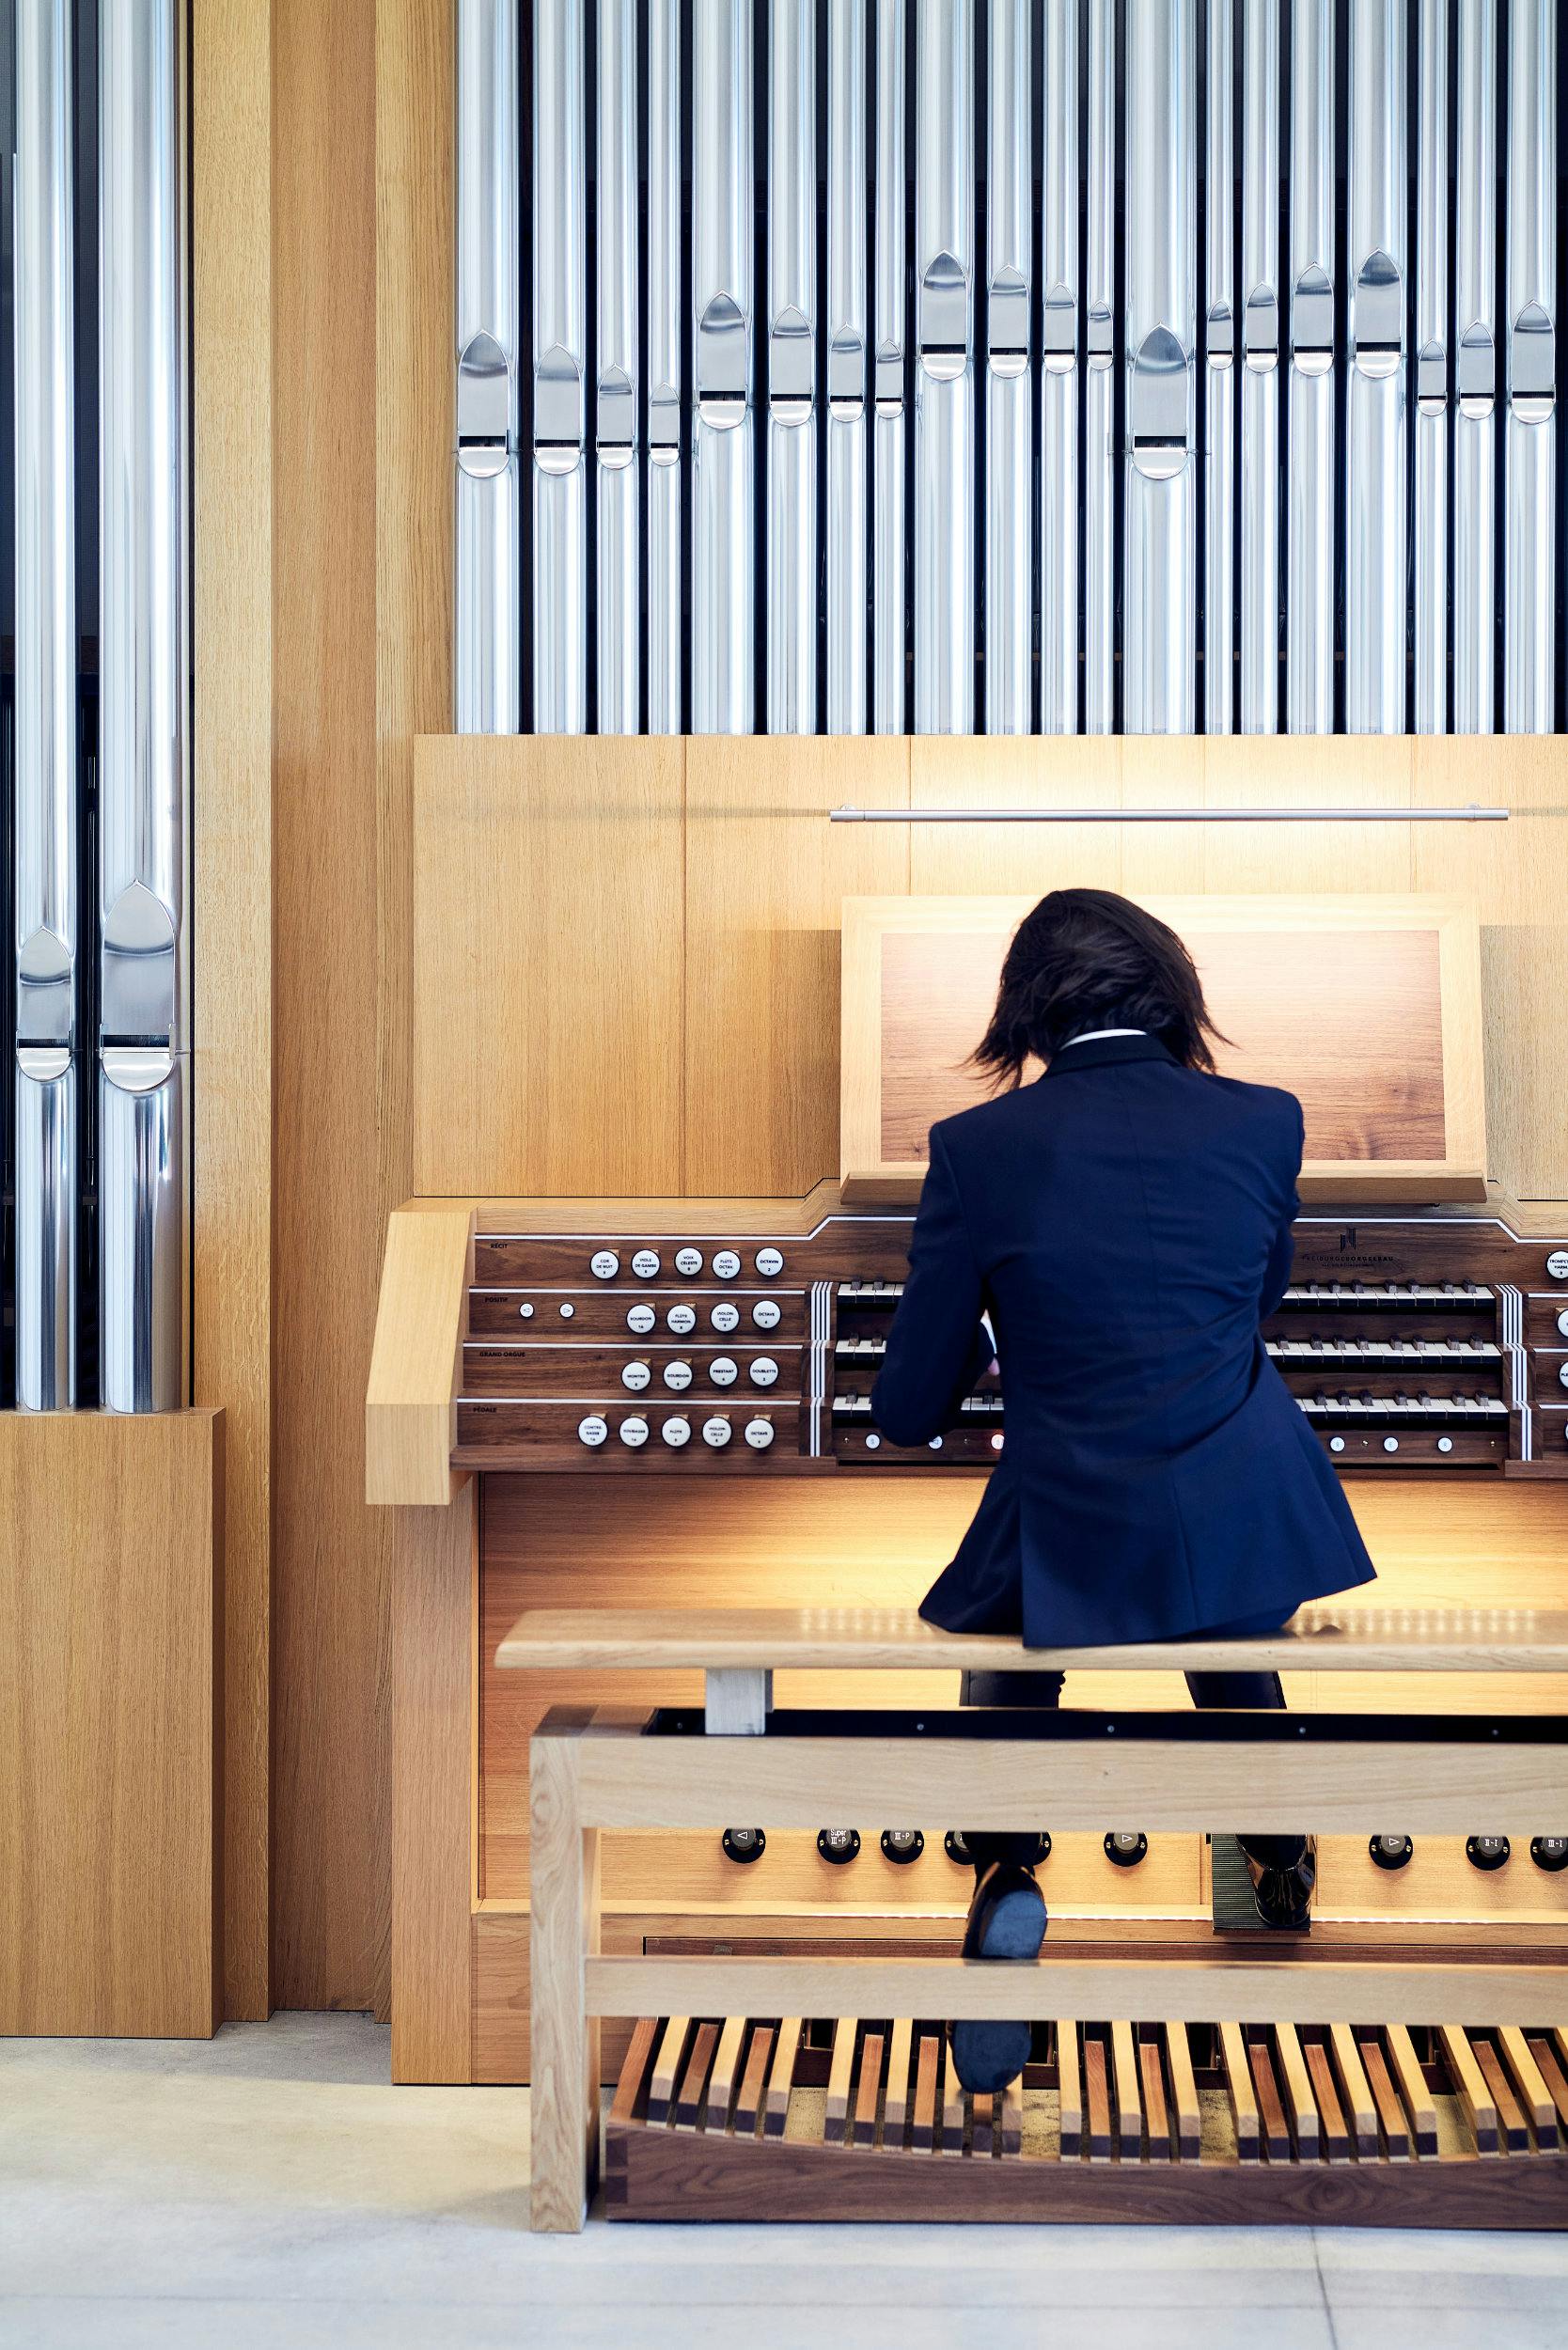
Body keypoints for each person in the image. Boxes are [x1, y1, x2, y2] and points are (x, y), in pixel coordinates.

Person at [870, 888, 1376, 2095]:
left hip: (1068, 1504)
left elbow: (908, 1406)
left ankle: (1003, 1869)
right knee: (1219, 1588)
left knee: (1019, 1615)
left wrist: (1006, 1345)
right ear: (1173, 997)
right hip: (1245, 1499)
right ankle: (1274, 1853)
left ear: (1026, 1011)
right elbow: (1252, 1307)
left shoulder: (978, 1147)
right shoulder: (1264, 1120)